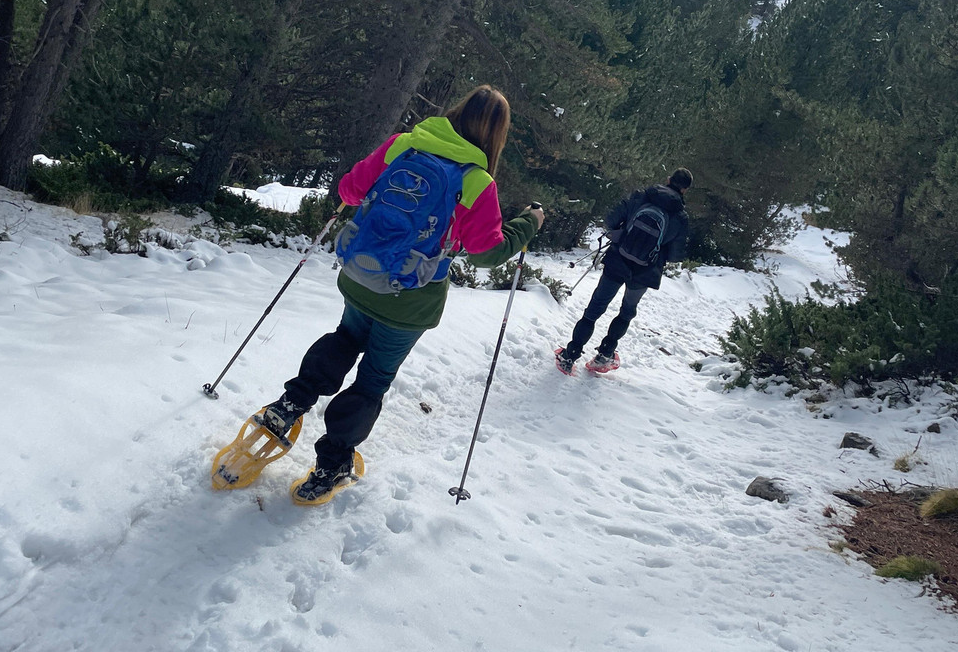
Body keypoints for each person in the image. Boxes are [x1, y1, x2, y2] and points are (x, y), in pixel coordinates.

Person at [257, 85, 545, 505]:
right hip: (411, 300)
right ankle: (332, 463)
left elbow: (350, 191)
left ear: (457, 111)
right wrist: (528, 223)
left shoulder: (403, 146)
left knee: (345, 339)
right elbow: (487, 253)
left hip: (361, 276)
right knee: (373, 378)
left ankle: (290, 403)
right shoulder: (476, 181)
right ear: (496, 135)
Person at [555, 168, 691, 375]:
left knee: (595, 308)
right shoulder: (680, 217)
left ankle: (570, 355)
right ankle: (605, 356)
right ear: (685, 190)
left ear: (668, 180)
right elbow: (675, 256)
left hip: (619, 259)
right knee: (627, 311)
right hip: (646, 270)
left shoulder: (641, 195)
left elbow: (610, 220)